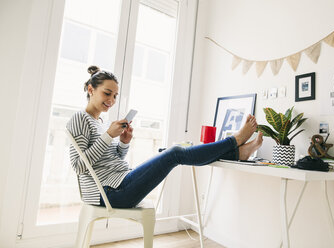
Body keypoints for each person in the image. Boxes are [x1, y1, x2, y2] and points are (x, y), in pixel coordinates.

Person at [67, 65, 263, 208]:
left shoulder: (100, 123)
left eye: (115, 96)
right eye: (107, 93)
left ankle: (237, 154)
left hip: (119, 183)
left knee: (171, 153)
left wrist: (123, 143)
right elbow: (79, 166)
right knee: (174, 153)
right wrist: (109, 136)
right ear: (91, 90)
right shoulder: (79, 119)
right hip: (109, 193)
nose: (111, 100)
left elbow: (111, 161)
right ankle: (235, 141)